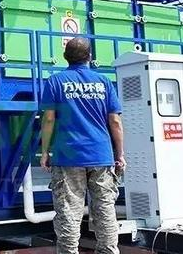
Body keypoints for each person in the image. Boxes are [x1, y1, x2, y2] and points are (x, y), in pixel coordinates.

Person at [40, 37, 125, 254]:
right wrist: (120, 154)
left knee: (69, 211)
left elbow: (48, 119)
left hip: (68, 156)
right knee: (105, 210)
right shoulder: (104, 82)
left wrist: (44, 152)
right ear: (90, 57)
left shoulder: (55, 81)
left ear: (65, 57)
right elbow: (115, 121)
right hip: (101, 155)